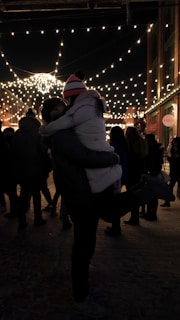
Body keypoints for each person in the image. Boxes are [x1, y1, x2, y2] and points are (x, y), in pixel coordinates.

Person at [41, 97, 175, 319]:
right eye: (62, 109)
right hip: (80, 194)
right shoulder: (61, 135)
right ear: (54, 114)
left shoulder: (60, 134)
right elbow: (85, 157)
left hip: (82, 193)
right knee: (90, 237)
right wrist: (111, 157)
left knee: (92, 234)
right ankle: (80, 295)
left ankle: (145, 190)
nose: (67, 112)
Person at [43, 71, 122, 195]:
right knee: (110, 205)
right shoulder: (91, 105)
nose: (67, 106)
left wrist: (45, 129)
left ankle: (146, 191)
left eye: (68, 100)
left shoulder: (80, 109)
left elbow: (64, 122)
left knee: (109, 206)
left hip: (96, 159)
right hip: (102, 156)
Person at [12, 116, 47, 231]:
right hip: (36, 169)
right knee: (36, 194)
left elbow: (13, 152)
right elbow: (43, 151)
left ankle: (21, 221)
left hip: (21, 170)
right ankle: (38, 218)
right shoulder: (37, 134)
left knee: (23, 194)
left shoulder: (17, 134)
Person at [104, 125, 128, 236]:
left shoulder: (113, 146)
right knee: (116, 201)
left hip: (114, 175)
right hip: (122, 174)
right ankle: (115, 226)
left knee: (113, 202)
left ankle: (115, 228)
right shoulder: (125, 145)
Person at [124, 126, 148, 225]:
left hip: (131, 171)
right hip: (141, 171)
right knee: (138, 193)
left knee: (131, 194)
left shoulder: (128, 144)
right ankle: (136, 215)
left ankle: (134, 217)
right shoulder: (143, 142)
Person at [140, 134, 164, 221]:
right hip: (155, 172)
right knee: (153, 194)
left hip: (151, 173)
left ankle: (151, 214)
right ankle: (151, 213)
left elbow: (152, 161)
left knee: (151, 194)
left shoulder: (152, 149)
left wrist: (149, 170)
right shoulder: (157, 148)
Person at [161, 136, 180, 208]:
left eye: (175, 143)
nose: (174, 145)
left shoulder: (177, 151)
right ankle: (167, 201)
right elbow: (172, 159)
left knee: (171, 186)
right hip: (173, 170)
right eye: (173, 143)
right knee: (170, 186)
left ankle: (167, 201)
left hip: (177, 170)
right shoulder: (173, 150)